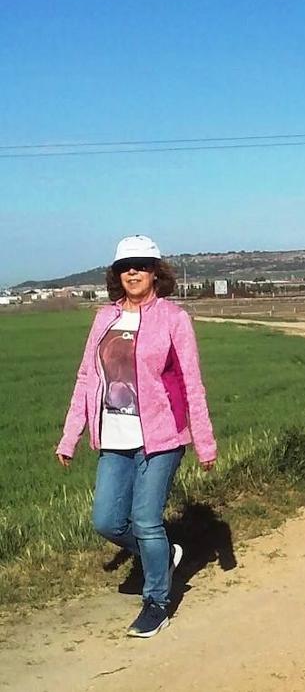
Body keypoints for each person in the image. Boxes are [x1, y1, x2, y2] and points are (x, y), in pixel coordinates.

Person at [56, 235, 217, 639]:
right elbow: (86, 378)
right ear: (116, 274)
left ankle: (157, 602)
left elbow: (192, 382)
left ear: (155, 272)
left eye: (141, 265)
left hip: (161, 437)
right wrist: (69, 435)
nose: (133, 271)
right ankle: (163, 554)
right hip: (113, 435)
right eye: (125, 265)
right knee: (107, 521)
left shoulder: (173, 319)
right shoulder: (104, 318)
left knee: (146, 520)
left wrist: (204, 441)